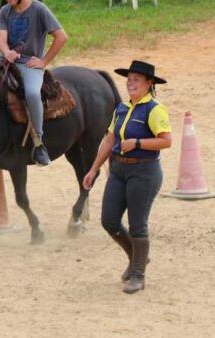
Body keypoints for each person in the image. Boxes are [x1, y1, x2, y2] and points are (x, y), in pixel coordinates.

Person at [82, 60, 172, 294]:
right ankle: (137, 257)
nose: (131, 83)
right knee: (109, 220)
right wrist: (93, 169)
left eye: (136, 79)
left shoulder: (154, 109)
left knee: (137, 225)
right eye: (129, 79)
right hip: (120, 169)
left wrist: (139, 143)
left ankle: (139, 275)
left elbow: (166, 140)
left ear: (148, 83)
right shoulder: (122, 108)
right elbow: (110, 140)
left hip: (145, 171)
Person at [0, 0, 68, 166]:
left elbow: (61, 37)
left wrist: (43, 61)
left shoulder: (39, 10)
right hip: (6, 58)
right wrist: (6, 51)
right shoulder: (4, 12)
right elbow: (1, 40)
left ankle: (38, 142)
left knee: (33, 94)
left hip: (29, 62)